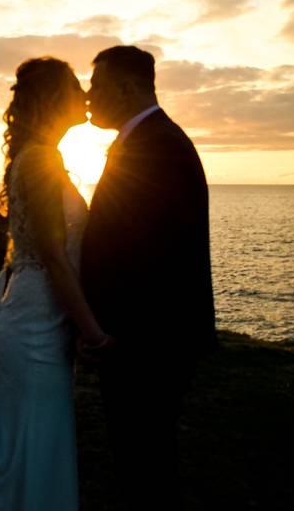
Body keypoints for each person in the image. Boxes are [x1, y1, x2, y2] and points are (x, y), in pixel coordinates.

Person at [0, 57, 113, 511]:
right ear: (56, 99)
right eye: (77, 89)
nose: (86, 96)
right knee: (32, 445)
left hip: (38, 316)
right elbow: (55, 258)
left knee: (35, 444)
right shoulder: (39, 161)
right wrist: (91, 330)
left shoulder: (39, 156)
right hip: (33, 327)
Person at [80, 45, 216, 508]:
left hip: (148, 343)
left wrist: (103, 330)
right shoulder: (146, 141)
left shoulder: (157, 147)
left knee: (145, 460)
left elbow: (147, 255)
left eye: (95, 85)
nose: (87, 96)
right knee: (139, 457)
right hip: (142, 339)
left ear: (126, 87)